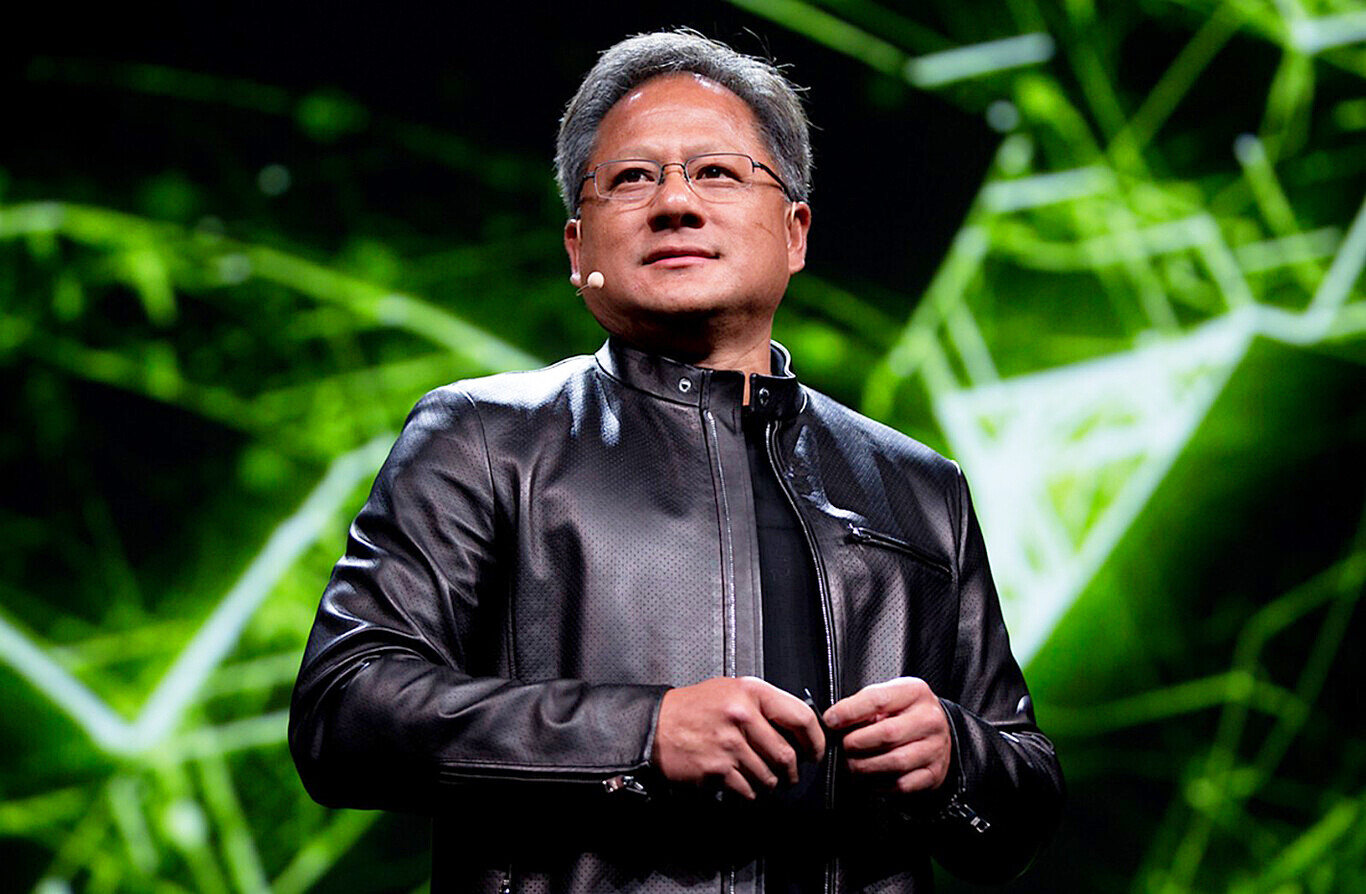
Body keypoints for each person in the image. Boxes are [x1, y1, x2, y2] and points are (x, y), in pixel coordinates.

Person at [289, 29, 1063, 893]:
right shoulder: (482, 438)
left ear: (795, 232)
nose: (675, 203)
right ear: (578, 250)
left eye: (719, 172)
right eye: (631, 178)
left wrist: (957, 757)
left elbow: (1024, 806)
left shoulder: (920, 489)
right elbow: (343, 712)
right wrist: (641, 735)